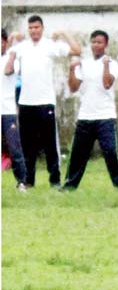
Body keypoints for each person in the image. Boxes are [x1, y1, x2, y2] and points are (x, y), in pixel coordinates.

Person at [12, 15, 81, 188]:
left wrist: (64, 33)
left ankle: (55, 180)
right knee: (28, 146)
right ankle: (29, 181)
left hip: (45, 102)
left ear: (42, 28)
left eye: (37, 27)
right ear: (28, 30)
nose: (34, 30)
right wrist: (13, 37)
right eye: (31, 28)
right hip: (26, 102)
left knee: (50, 145)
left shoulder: (50, 46)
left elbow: (76, 50)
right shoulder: (22, 47)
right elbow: (7, 56)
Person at [62, 30, 118, 190]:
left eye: (99, 42)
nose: (96, 45)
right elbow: (73, 87)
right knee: (77, 154)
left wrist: (106, 65)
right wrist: (72, 69)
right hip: (85, 116)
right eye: (93, 42)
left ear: (105, 45)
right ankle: (69, 185)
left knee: (112, 152)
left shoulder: (112, 63)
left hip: (105, 117)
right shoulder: (84, 63)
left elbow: (107, 83)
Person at [1, 29, 28, 191]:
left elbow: (7, 71)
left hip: (7, 111)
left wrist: (11, 53)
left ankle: (21, 182)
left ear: (5, 43)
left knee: (14, 147)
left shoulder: (13, 60)